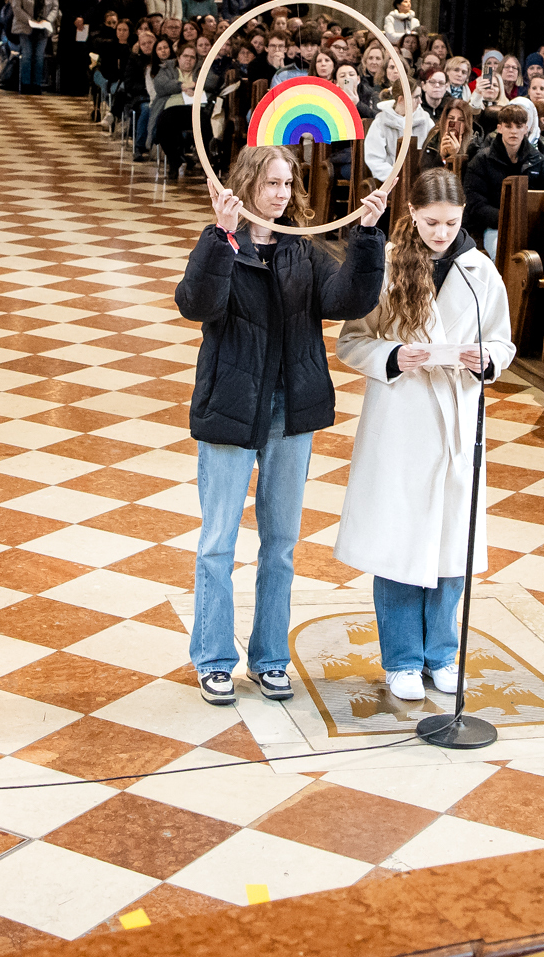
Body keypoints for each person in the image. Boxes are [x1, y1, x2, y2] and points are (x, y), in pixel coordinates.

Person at [176, 145, 389, 706]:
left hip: (290, 408)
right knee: (218, 542)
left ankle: (270, 658)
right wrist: (220, 237)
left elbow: (348, 299)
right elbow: (196, 304)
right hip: (231, 405)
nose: (280, 193)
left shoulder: (301, 249)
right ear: (247, 184)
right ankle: (214, 660)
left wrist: (368, 236)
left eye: (287, 184)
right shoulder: (223, 241)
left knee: (281, 545)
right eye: (271, 183)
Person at [332, 168, 507, 702]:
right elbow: (351, 340)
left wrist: (485, 360)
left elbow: (502, 341)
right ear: (411, 213)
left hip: (457, 418)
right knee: (401, 539)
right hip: (403, 417)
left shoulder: (480, 271)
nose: (441, 232)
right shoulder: (388, 265)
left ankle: (443, 655)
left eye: (451, 223)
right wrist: (394, 355)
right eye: (431, 222)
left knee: (452, 539)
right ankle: (403, 659)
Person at [461, 98, 544, 255]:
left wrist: (527, 220)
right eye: (508, 126)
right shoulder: (482, 160)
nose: (513, 131)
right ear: (500, 128)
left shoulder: (538, 160)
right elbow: (474, 202)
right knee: (501, 249)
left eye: (519, 126)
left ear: (526, 129)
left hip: (531, 226)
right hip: (493, 227)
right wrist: (506, 218)